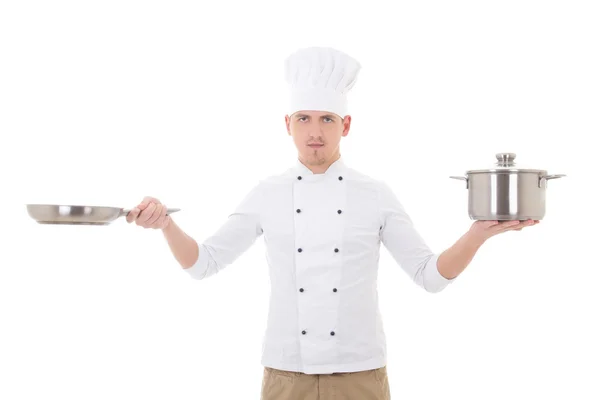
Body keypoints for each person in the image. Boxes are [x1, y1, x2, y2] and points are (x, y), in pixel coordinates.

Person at [125, 47, 539, 400]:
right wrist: (166, 226)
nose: (315, 132)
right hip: (286, 375)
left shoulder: (375, 193)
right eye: (303, 119)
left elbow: (429, 276)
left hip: (360, 375)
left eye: (326, 119)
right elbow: (204, 264)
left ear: (346, 125)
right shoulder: (267, 193)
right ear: (287, 125)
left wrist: (476, 234)